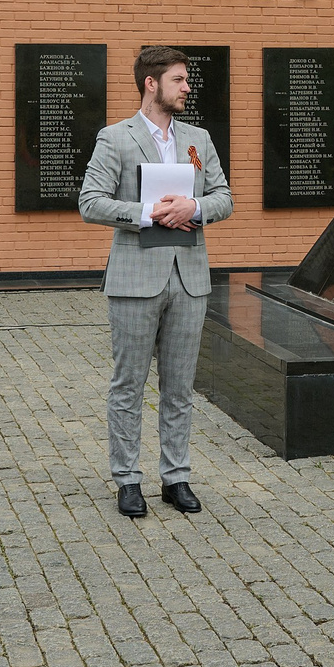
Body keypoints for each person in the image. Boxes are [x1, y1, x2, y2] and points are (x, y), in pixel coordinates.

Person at [79, 47, 234, 518]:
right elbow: (91, 202)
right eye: (180, 79)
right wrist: (147, 213)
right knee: (128, 384)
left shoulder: (198, 139)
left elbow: (224, 197)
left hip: (189, 280)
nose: (188, 87)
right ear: (152, 84)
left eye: (187, 80)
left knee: (180, 386)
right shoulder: (115, 138)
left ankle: (176, 477)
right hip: (134, 279)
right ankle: (128, 479)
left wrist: (196, 208)